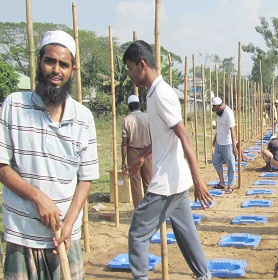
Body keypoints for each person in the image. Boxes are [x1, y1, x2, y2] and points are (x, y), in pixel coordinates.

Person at [0, 30, 99, 279]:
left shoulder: (83, 118)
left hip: (65, 239)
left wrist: (69, 224)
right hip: (21, 236)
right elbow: (1, 165)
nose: (56, 70)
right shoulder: (14, 105)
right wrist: (37, 197)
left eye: (64, 65)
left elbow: (85, 178)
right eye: (50, 61)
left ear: (72, 71)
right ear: (40, 62)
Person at [123, 40, 213, 280]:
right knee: (186, 234)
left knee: (138, 233)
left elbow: (185, 137)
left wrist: (199, 180)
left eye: (130, 68)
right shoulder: (153, 94)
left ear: (142, 65)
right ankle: (204, 276)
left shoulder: (161, 94)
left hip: (167, 181)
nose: (130, 74)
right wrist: (141, 156)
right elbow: (165, 137)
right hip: (176, 180)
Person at [121, 94, 153, 209]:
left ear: (129, 107)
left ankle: (139, 209)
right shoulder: (148, 117)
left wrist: (123, 161)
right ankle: (150, 208)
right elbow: (153, 137)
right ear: (139, 105)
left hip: (133, 152)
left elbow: (124, 143)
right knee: (149, 181)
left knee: (135, 183)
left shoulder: (126, 121)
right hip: (148, 152)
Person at [211, 96, 237, 194]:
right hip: (219, 142)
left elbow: (232, 130)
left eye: (216, 108)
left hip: (228, 143)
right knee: (216, 161)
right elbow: (219, 127)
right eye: (214, 108)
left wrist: (234, 146)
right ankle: (222, 183)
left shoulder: (228, 112)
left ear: (220, 105)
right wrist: (215, 139)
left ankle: (230, 185)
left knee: (230, 164)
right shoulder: (219, 113)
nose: (215, 110)